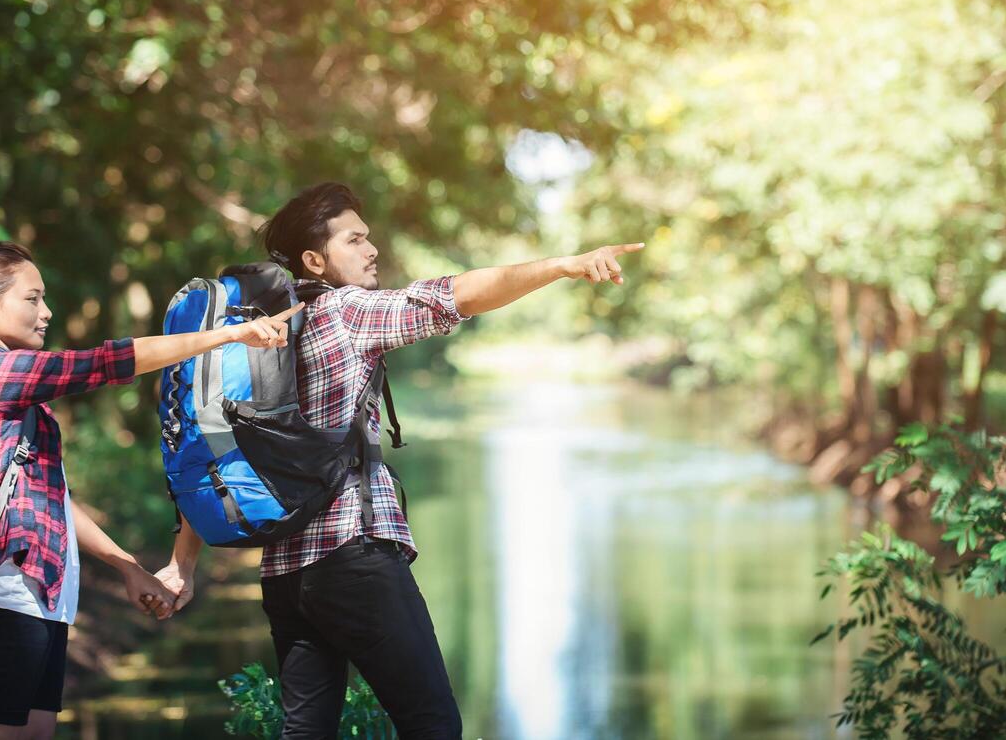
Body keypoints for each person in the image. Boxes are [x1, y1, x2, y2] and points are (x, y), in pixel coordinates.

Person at [153, 182, 643, 739]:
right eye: (354, 239)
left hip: (287, 574)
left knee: (303, 733)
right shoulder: (345, 312)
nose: (372, 249)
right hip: (353, 557)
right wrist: (561, 265)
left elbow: (210, 442)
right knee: (430, 723)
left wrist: (183, 562)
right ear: (315, 260)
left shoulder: (263, 331)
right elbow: (456, 295)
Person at [0, 240, 299, 740]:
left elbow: (48, 498)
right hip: (12, 592)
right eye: (32, 299)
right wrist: (228, 335)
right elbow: (108, 361)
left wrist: (126, 566)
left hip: (39, 591)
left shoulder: (4, 378)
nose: (46, 311)